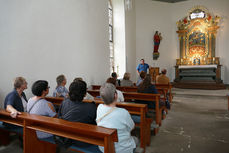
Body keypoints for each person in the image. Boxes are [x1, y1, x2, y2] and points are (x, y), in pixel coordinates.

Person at [97, 83, 136, 153]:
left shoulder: (99, 108)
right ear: (115, 95)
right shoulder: (123, 112)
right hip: (122, 149)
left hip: (104, 147)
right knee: (136, 139)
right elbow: (132, 127)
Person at [58, 80, 97, 147]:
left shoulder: (64, 102)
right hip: (84, 141)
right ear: (85, 94)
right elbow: (96, 123)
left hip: (66, 137)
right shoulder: (91, 107)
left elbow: (59, 116)